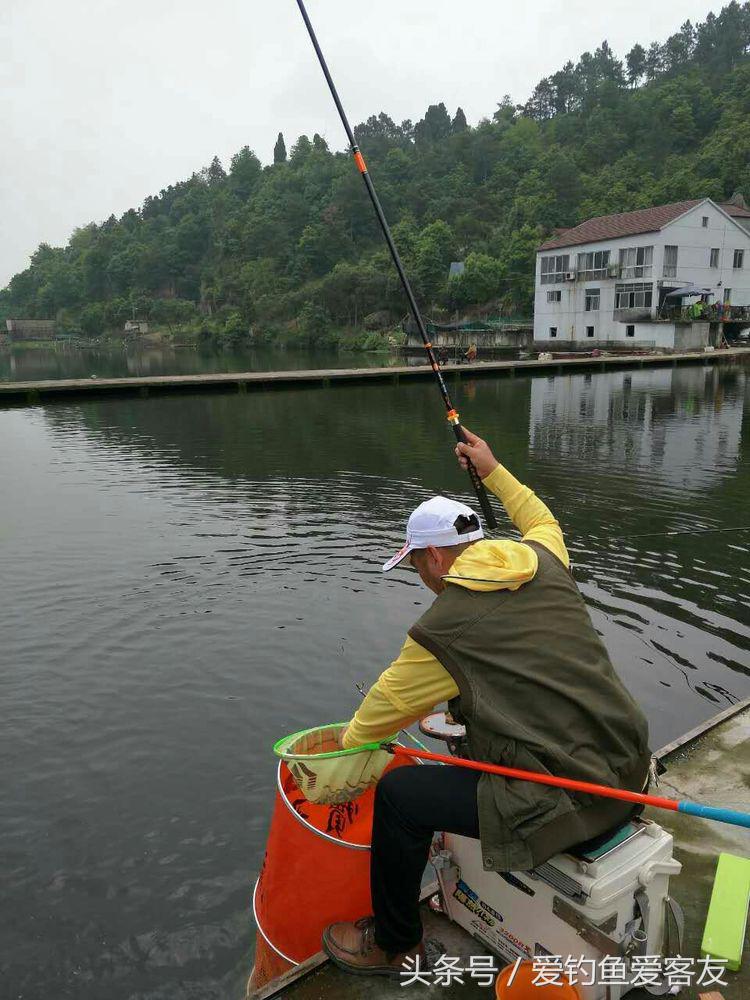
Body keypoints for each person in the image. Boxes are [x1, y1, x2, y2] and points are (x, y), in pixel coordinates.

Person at [322, 428, 651, 977]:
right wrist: (493, 469)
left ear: (433, 557)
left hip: (572, 806)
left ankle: (395, 943)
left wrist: (338, 757)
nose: (420, 577)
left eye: (414, 565)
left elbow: (374, 719)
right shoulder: (544, 557)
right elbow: (538, 516)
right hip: (628, 770)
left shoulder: (441, 629)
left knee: (401, 796)